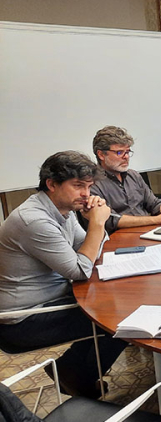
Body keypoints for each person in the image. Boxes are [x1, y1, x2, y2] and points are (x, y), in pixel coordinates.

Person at [0, 151, 128, 399]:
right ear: (52, 184)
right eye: (78, 186)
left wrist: (94, 226)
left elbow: (89, 250)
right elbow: (80, 269)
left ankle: (72, 370)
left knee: (115, 307)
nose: (86, 194)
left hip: (54, 298)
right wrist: (97, 224)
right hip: (24, 320)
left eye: (89, 187)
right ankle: (74, 373)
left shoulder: (63, 210)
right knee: (120, 320)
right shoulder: (34, 220)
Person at [90, 125, 161, 233]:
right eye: (120, 152)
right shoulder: (92, 183)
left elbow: (154, 205)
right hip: (119, 239)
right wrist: (156, 220)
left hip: (146, 231)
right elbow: (111, 220)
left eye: (128, 152)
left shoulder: (133, 175)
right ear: (101, 155)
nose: (126, 157)